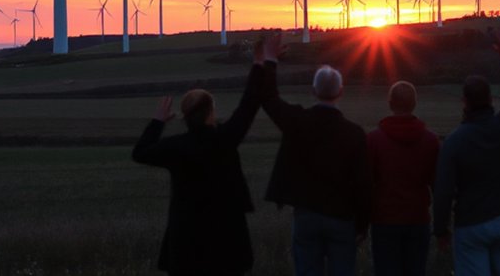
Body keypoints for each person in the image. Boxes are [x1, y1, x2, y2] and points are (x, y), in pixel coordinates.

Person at [132, 31, 280, 276]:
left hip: (185, 244)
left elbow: (140, 153)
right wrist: (259, 63)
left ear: (184, 115)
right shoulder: (225, 139)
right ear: (211, 112)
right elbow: (249, 103)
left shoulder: (177, 147)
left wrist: (157, 122)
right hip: (227, 242)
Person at [433, 28, 500, 276]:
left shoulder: (455, 142)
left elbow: (443, 190)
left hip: (471, 225)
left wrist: (441, 229)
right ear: (491, 99)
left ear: (464, 102)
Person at [260, 60, 371, 276]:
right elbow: (363, 183)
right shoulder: (355, 133)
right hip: (342, 217)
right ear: (341, 91)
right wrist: (363, 224)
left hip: (306, 215)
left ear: (313, 91)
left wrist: (270, 62)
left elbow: (269, 99)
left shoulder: (298, 121)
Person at [367, 81, 441, 276]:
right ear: (414, 103)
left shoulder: (374, 140)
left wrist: (360, 223)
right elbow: (438, 185)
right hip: (418, 220)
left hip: (384, 222)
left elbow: (365, 185)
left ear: (390, 103)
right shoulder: (430, 140)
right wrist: (442, 227)